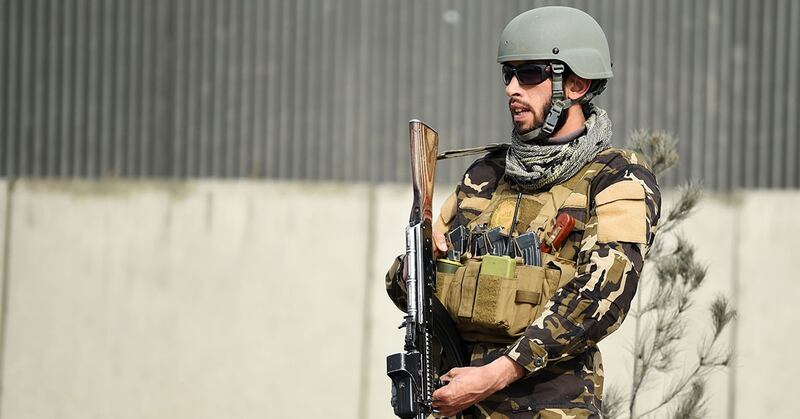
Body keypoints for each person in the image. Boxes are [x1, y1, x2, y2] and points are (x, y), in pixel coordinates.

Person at [386, 6, 661, 418]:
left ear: (576, 83)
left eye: (530, 74)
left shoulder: (616, 178)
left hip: (550, 407)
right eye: (508, 75)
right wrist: (419, 264)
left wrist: (499, 372)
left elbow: (600, 298)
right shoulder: (484, 175)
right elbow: (404, 288)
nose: (512, 88)